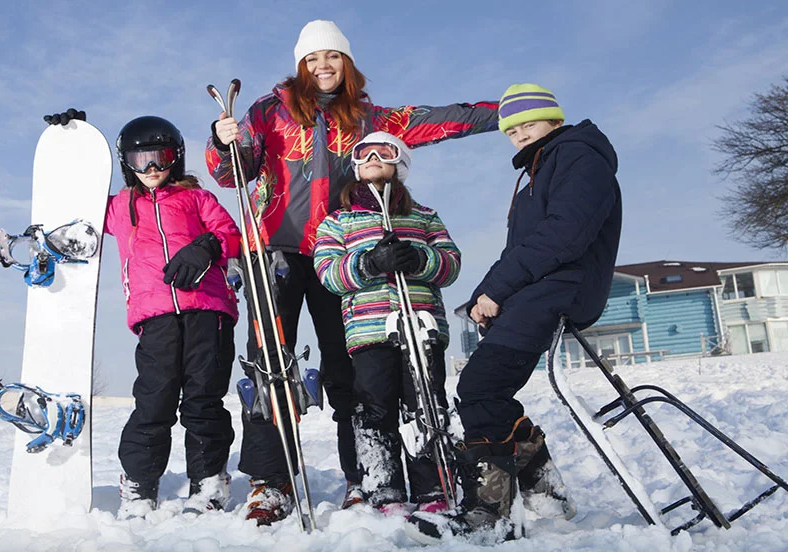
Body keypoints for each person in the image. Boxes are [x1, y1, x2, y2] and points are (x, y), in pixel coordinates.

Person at [206, 19, 500, 525]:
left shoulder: (368, 118)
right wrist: (221, 138)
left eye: (333, 57)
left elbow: (440, 118)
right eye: (314, 59)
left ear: (347, 63)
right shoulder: (266, 111)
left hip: (340, 251)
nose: (323, 66)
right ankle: (269, 481)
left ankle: (361, 474)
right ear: (301, 65)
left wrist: (506, 113)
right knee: (267, 368)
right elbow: (230, 170)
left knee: (349, 367)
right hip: (272, 252)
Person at [406, 84, 623, 542]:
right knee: (490, 390)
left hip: (562, 288)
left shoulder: (579, 157)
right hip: (541, 290)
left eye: (529, 124)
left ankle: (488, 515)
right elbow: (522, 247)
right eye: (511, 129)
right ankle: (543, 487)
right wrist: (489, 293)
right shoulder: (542, 165)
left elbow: (564, 236)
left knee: (480, 386)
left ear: (555, 120)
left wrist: (500, 290)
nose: (520, 134)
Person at [46, 112, 243, 520]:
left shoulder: (196, 198)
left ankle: (208, 481)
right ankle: (139, 483)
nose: (152, 168)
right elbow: (76, 203)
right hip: (154, 317)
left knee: (203, 400)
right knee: (153, 401)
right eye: (141, 161)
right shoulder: (120, 207)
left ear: (176, 158)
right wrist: (73, 142)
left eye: (160, 157)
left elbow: (231, 234)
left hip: (208, 310)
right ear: (126, 165)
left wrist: (205, 246)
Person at [313, 132, 460, 515]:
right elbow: (328, 273)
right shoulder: (338, 221)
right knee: (374, 406)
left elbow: (450, 263)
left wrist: (420, 260)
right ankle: (384, 488)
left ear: (401, 164)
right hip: (369, 329)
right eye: (364, 153)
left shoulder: (423, 216)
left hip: (420, 325)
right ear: (355, 167)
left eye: (385, 152)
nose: (374, 158)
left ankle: (433, 488)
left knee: (424, 405)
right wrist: (369, 263)